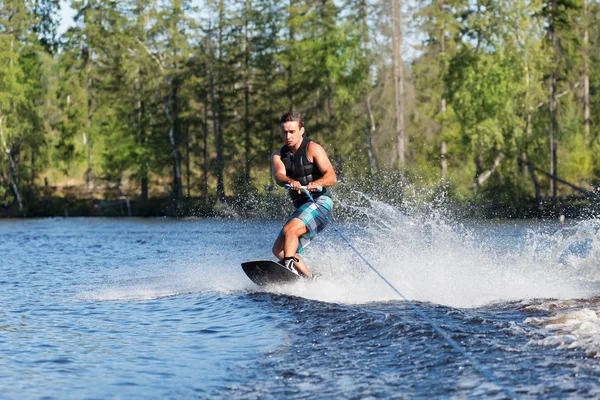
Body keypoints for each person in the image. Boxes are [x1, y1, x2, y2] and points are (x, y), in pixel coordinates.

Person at [271, 112, 337, 278]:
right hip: (303, 208)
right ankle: (310, 278)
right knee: (279, 249)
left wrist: (318, 183)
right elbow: (279, 176)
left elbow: (331, 176)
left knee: (290, 230)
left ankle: (288, 266)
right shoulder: (278, 155)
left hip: (321, 203)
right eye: (284, 132)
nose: (288, 136)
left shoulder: (313, 148)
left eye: (292, 131)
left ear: (301, 130)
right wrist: (289, 180)